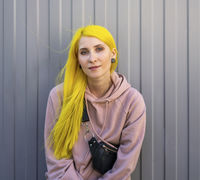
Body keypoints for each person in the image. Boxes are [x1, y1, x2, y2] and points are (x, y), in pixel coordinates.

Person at [44, 25, 146, 180]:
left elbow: (125, 165)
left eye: (99, 49)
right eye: (84, 52)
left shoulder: (132, 101)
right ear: (78, 60)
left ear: (113, 53)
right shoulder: (59, 97)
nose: (92, 58)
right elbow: (56, 160)